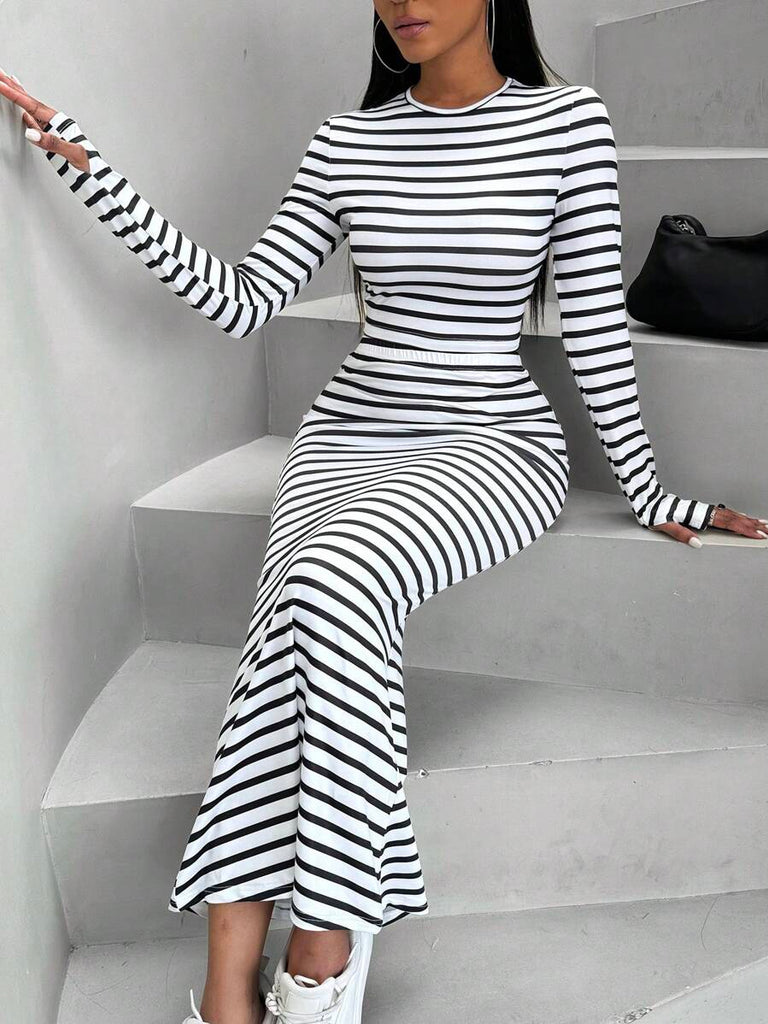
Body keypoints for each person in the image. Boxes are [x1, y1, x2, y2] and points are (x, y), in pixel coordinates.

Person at [4, 1, 766, 1022]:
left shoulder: (569, 123)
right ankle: (240, 977)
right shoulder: (348, 141)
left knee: (327, 583)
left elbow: (592, 322)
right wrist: (93, 172)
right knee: (296, 614)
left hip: (492, 443)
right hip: (344, 439)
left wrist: (647, 485)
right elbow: (242, 299)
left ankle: (315, 943)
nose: (403, 0)